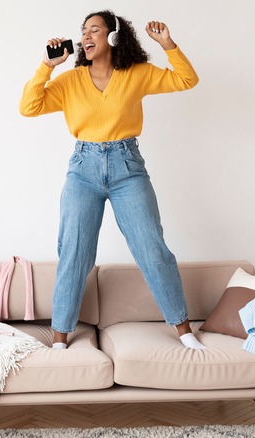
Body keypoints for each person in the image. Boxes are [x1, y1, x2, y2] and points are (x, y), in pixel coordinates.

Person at [19, 10, 205, 350]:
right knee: (74, 251)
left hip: (127, 167)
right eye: (83, 31)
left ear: (113, 37)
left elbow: (186, 79)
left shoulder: (136, 74)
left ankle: (184, 331)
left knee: (152, 249)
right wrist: (48, 66)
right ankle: (60, 337)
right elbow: (28, 107)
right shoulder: (70, 80)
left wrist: (168, 44)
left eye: (95, 30)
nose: (86, 36)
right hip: (83, 170)